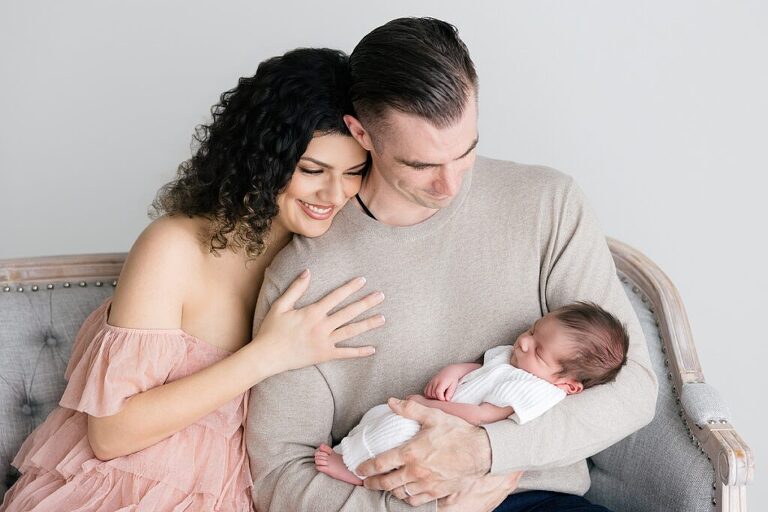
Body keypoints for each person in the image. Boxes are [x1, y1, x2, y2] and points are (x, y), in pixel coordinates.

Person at [246, 17, 658, 512]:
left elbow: (632, 388)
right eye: (421, 165)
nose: (451, 186)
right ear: (361, 133)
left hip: (539, 499)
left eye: (466, 152)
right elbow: (280, 474)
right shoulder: (305, 273)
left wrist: (485, 452)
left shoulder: (547, 202)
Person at [0, 48, 385, 512]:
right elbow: (111, 434)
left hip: (247, 490)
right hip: (125, 488)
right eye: (312, 170)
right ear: (262, 159)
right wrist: (268, 355)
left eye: (354, 172)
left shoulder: (329, 251)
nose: (335, 193)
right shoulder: (173, 247)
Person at [314, 302, 629, 488]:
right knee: (379, 416)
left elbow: (481, 416)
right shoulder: (518, 360)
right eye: (533, 330)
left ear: (568, 385)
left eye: (538, 350)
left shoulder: (536, 389)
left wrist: (429, 406)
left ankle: (359, 473)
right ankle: (350, 450)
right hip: (438, 413)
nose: (523, 342)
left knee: (396, 435)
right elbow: (483, 368)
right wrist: (455, 371)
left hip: (447, 432)